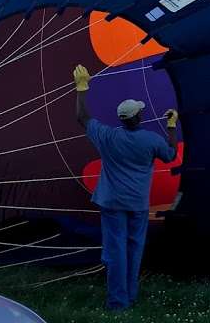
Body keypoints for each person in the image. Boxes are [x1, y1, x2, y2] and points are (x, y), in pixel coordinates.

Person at [72, 64, 178, 311]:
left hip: (111, 202)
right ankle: (129, 296)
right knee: (134, 248)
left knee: (115, 250)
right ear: (138, 117)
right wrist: (172, 126)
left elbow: (82, 118)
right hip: (137, 203)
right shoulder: (151, 140)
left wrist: (82, 89)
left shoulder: (108, 137)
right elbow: (172, 155)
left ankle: (118, 302)